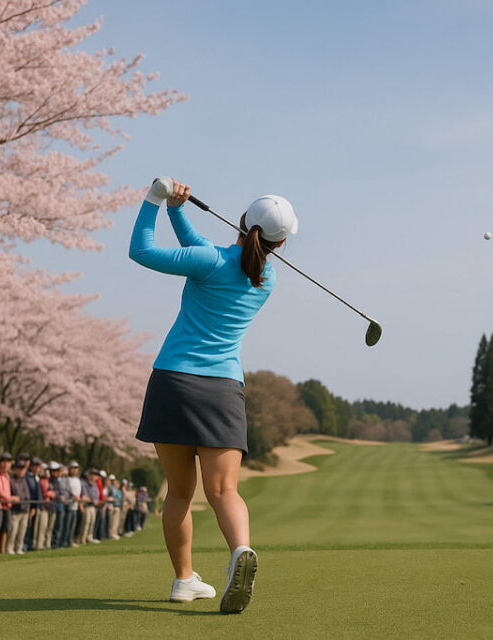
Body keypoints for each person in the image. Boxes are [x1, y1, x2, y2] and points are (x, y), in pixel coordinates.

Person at [129, 178, 296, 611]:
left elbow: (141, 251)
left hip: (172, 381)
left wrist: (153, 200)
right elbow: (207, 252)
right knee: (223, 491)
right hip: (221, 389)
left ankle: (184, 579)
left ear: (242, 221)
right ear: (279, 243)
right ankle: (240, 551)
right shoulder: (267, 278)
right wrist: (177, 210)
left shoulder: (210, 262)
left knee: (179, 492)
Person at [7, 460, 29, 554]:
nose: (21, 471)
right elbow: (14, 494)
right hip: (15, 510)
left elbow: (27, 495)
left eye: (22, 469)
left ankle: (19, 548)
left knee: (22, 531)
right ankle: (10, 548)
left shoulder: (24, 480)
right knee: (13, 531)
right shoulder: (11, 480)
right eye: (19, 468)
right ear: (15, 469)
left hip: (25, 510)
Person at [76, 468, 100, 545]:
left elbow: (96, 495)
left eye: (96, 475)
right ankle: (82, 539)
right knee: (85, 523)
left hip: (93, 506)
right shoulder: (84, 483)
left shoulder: (94, 485)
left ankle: (89, 537)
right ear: (89, 475)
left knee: (91, 522)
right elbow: (85, 496)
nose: (95, 477)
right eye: (93, 475)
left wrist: (95, 500)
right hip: (86, 506)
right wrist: (92, 500)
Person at [23, 457, 43, 551]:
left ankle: (30, 543)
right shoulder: (28, 477)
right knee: (27, 526)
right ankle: (26, 544)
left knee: (34, 527)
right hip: (30, 506)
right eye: (35, 466)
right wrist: (32, 507)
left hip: (37, 506)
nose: (38, 468)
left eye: (39, 466)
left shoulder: (36, 477)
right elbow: (30, 493)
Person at [51, 464, 72, 548]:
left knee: (61, 525)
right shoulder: (53, 480)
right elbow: (56, 491)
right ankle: (55, 543)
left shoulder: (64, 480)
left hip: (63, 504)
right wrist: (60, 495)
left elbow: (67, 491)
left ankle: (60, 542)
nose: (59, 472)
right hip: (56, 504)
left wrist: (65, 496)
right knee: (56, 526)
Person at [64, 461, 82, 548]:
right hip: (68, 504)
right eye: (73, 468)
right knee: (66, 525)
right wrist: (73, 496)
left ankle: (70, 541)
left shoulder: (78, 480)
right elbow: (66, 490)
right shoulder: (66, 479)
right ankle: (65, 542)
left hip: (75, 506)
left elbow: (79, 492)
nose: (75, 470)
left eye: (76, 468)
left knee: (72, 525)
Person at [106, 476, 122, 541]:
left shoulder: (119, 491)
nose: (116, 485)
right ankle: (111, 534)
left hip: (117, 506)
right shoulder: (111, 489)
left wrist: (114, 499)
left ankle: (115, 533)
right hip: (112, 506)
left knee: (116, 521)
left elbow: (119, 499)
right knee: (112, 521)